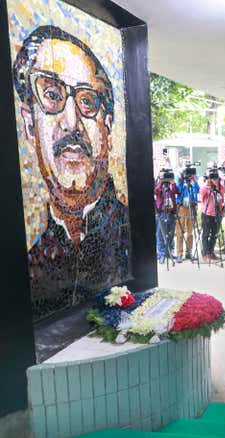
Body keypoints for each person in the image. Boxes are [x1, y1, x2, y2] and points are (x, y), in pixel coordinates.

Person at [12, 26, 131, 318]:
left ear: (109, 128)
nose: (71, 121)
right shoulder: (31, 264)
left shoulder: (130, 234)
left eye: (87, 101)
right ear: (30, 125)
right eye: (52, 95)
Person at [199, 169, 225, 262]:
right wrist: (208, 184)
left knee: (215, 234)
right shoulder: (205, 187)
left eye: (216, 177)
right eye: (212, 177)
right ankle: (205, 253)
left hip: (217, 213)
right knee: (206, 234)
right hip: (207, 213)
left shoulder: (220, 187)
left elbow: (222, 196)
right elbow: (201, 197)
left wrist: (216, 185)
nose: (215, 179)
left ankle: (211, 251)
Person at [175, 169, 200, 263]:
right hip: (181, 207)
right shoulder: (181, 180)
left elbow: (198, 190)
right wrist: (182, 179)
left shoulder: (193, 181)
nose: (189, 175)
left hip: (191, 207)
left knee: (190, 232)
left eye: (191, 174)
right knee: (180, 232)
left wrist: (194, 180)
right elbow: (178, 190)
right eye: (188, 174)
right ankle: (179, 254)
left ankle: (189, 252)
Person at [154, 171, 178, 263]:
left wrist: (173, 182)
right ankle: (161, 254)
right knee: (161, 233)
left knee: (171, 232)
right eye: (165, 177)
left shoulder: (171, 185)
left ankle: (170, 252)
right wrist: (161, 181)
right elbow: (156, 191)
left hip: (172, 211)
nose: (166, 179)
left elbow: (176, 191)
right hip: (162, 211)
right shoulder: (160, 185)